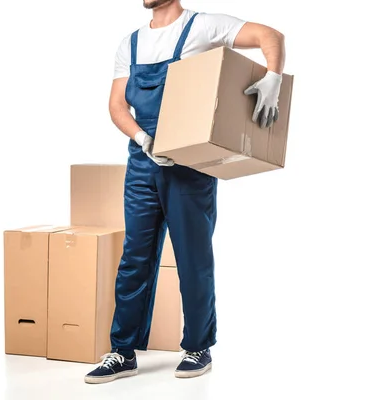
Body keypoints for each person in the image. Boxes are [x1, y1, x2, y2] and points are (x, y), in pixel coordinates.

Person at [84, 0, 286, 384]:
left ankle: (198, 347)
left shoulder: (204, 27)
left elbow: (270, 36)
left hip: (190, 164)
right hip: (143, 162)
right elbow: (116, 105)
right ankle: (122, 352)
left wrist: (273, 77)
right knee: (135, 259)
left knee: (192, 258)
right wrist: (142, 138)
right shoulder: (129, 45)